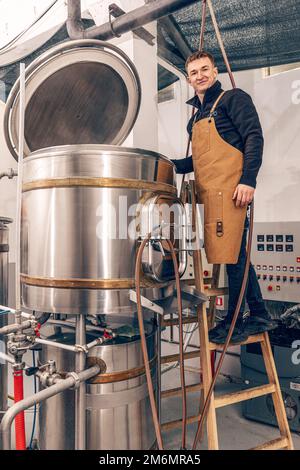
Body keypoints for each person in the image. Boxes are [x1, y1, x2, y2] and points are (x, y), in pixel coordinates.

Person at [172, 51, 276, 344]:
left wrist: (248, 180)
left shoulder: (233, 99)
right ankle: (258, 313)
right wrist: (171, 164)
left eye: (205, 69)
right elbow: (201, 161)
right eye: (194, 72)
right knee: (236, 255)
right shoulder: (195, 118)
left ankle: (234, 321)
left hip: (232, 191)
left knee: (232, 258)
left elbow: (254, 137)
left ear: (215, 71)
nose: (200, 75)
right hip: (210, 195)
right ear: (189, 78)